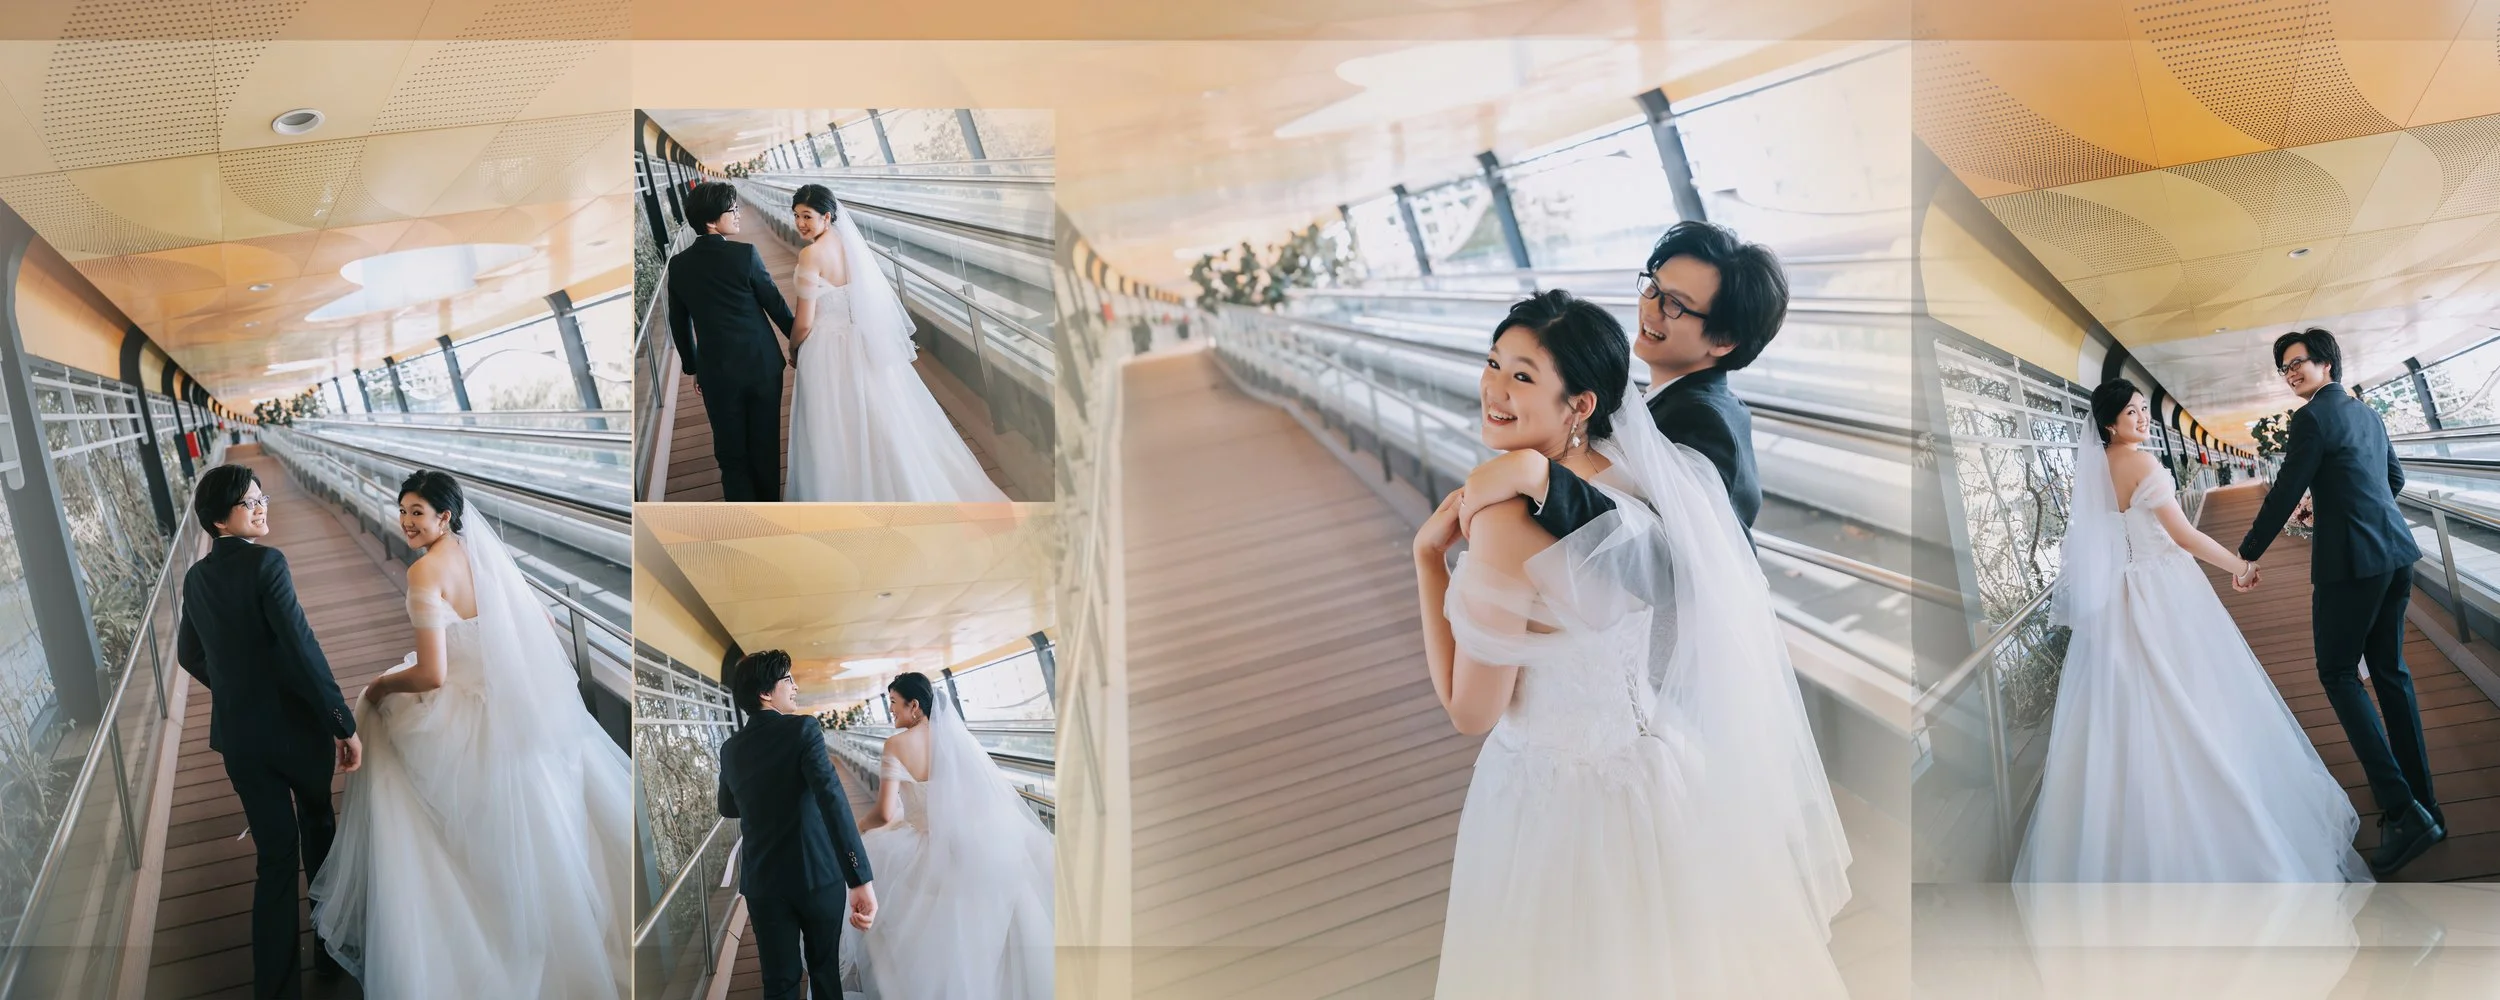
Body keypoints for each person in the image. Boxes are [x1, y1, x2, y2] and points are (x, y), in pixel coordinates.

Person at [1411, 291, 1849, 998]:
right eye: (1493, 363)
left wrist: (1427, 561)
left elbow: (1472, 711)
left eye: (1523, 376)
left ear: (1580, 404)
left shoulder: (1501, 522)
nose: (1494, 388)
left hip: (1553, 800)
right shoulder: (1636, 475)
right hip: (1662, 772)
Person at [2013, 380, 2367, 882]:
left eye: (2143, 409)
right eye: (2131, 412)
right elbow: (2184, 536)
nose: (2142, 418)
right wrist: (2239, 566)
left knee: (2126, 707)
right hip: (2164, 592)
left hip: (2119, 602)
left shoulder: (2093, 471)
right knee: (2199, 693)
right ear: (2109, 423)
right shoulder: (2142, 464)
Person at [307, 471, 632, 997]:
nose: (406, 521)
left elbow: (432, 675)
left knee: (385, 738)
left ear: (445, 516)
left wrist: (378, 687)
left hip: (457, 715)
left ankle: (455, 942)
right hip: (511, 711)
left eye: (418, 512)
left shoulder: (424, 572)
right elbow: (543, 624)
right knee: (541, 832)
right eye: (403, 510)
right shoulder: (481, 555)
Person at [2237, 327, 2440, 875]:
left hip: (2351, 566)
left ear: (2327, 363)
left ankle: (2403, 810)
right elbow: (2393, 479)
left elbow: (2285, 489)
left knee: (2337, 673)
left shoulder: (2311, 418)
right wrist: (2348, 506)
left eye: (2298, 362)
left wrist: (2247, 553)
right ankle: (2425, 802)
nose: (2291, 373)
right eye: (2284, 367)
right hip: (2396, 553)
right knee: (2390, 673)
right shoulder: (2366, 413)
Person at [1461, 221, 1785, 536]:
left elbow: (1663, 545)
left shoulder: (1703, 421)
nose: (1650, 309)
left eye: (1675, 304)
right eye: (1653, 287)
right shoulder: (1680, 400)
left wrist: (1537, 476)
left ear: (1724, 341)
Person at [177, 465, 361, 998]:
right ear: (220, 520)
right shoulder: (267, 564)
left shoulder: (195, 579)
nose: (261, 509)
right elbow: (302, 647)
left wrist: (237, 687)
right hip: (296, 730)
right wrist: (342, 722)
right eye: (249, 502)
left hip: (241, 739)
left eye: (262, 499)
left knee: (275, 859)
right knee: (318, 826)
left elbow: (190, 654)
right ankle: (329, 952)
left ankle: (276, 990)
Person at [783, 185, 1007, 502]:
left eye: (807, 216)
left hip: (827, 349)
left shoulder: (810, 255)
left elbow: (804, 322)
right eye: (796, 216)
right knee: (882, 413)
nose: (800, 223)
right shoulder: (850, 246)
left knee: (835, 424)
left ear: (827, 216)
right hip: (861, 341)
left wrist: (793, 349)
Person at [844, 673, 1052, 998]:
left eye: (894, 703)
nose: (892, 710)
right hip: (968, 845)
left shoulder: (896, 745)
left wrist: (858, 827)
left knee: (922, 927)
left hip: (922, 847)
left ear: (914, 705)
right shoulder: (955, 739)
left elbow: (884, 813)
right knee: (973, 927)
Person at [717, 651, 877, 1000]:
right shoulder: (803, 729)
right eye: (788, 679)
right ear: (765, 693)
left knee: (779, 982)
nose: (795, 686)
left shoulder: (730, 749)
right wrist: (859, 878)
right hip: (816, 875)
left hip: (763, 882)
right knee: (824, 972)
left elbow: (727, 807)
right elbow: (832, 800)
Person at [669, 181, 797, 502]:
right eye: (732, 209)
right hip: (762, 366)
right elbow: (775, 304)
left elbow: (679, 322)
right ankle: (769, 511)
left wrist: (692, 367)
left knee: (730, 453)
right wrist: (799, 343)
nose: (738, 214)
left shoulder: (679, 266)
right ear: (712, 221)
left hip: (717, 373)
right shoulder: (745, 254)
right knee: (764, 446)